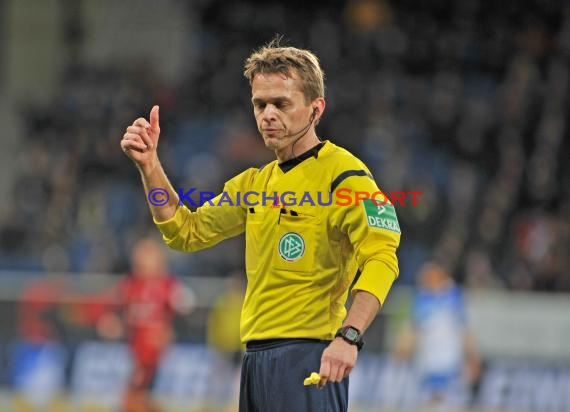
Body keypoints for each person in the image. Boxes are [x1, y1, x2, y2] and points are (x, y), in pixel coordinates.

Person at [120, 39, 401, 411]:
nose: (268, 114)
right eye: (260, 104)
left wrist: (349, 337)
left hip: (309, 354)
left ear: (316, 109)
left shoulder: (344, 175)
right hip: (255, 359)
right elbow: (184, 231)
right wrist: (150, 166)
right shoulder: (253, 184)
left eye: (281, 104)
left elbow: (382, 257)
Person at [80, 237, 195, 412]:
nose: (139, 261)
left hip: (153, 353)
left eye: (145, 256)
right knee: (135, 398)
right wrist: (109, 321)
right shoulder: (130, 284)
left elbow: (187, 305)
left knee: (131, 398)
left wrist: (170, 330)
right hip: (136, 350)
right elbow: (109, 305)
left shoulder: (166, 284)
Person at [393, 261, 480, 408]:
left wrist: (472, 357)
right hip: (426, 361)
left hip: (450, 362)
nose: (423, 281)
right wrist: (402, 348)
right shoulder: (422, 299)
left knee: (447, 403)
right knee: (427, 403)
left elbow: (465, 330)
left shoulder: (455, 297)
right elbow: (413, 328)